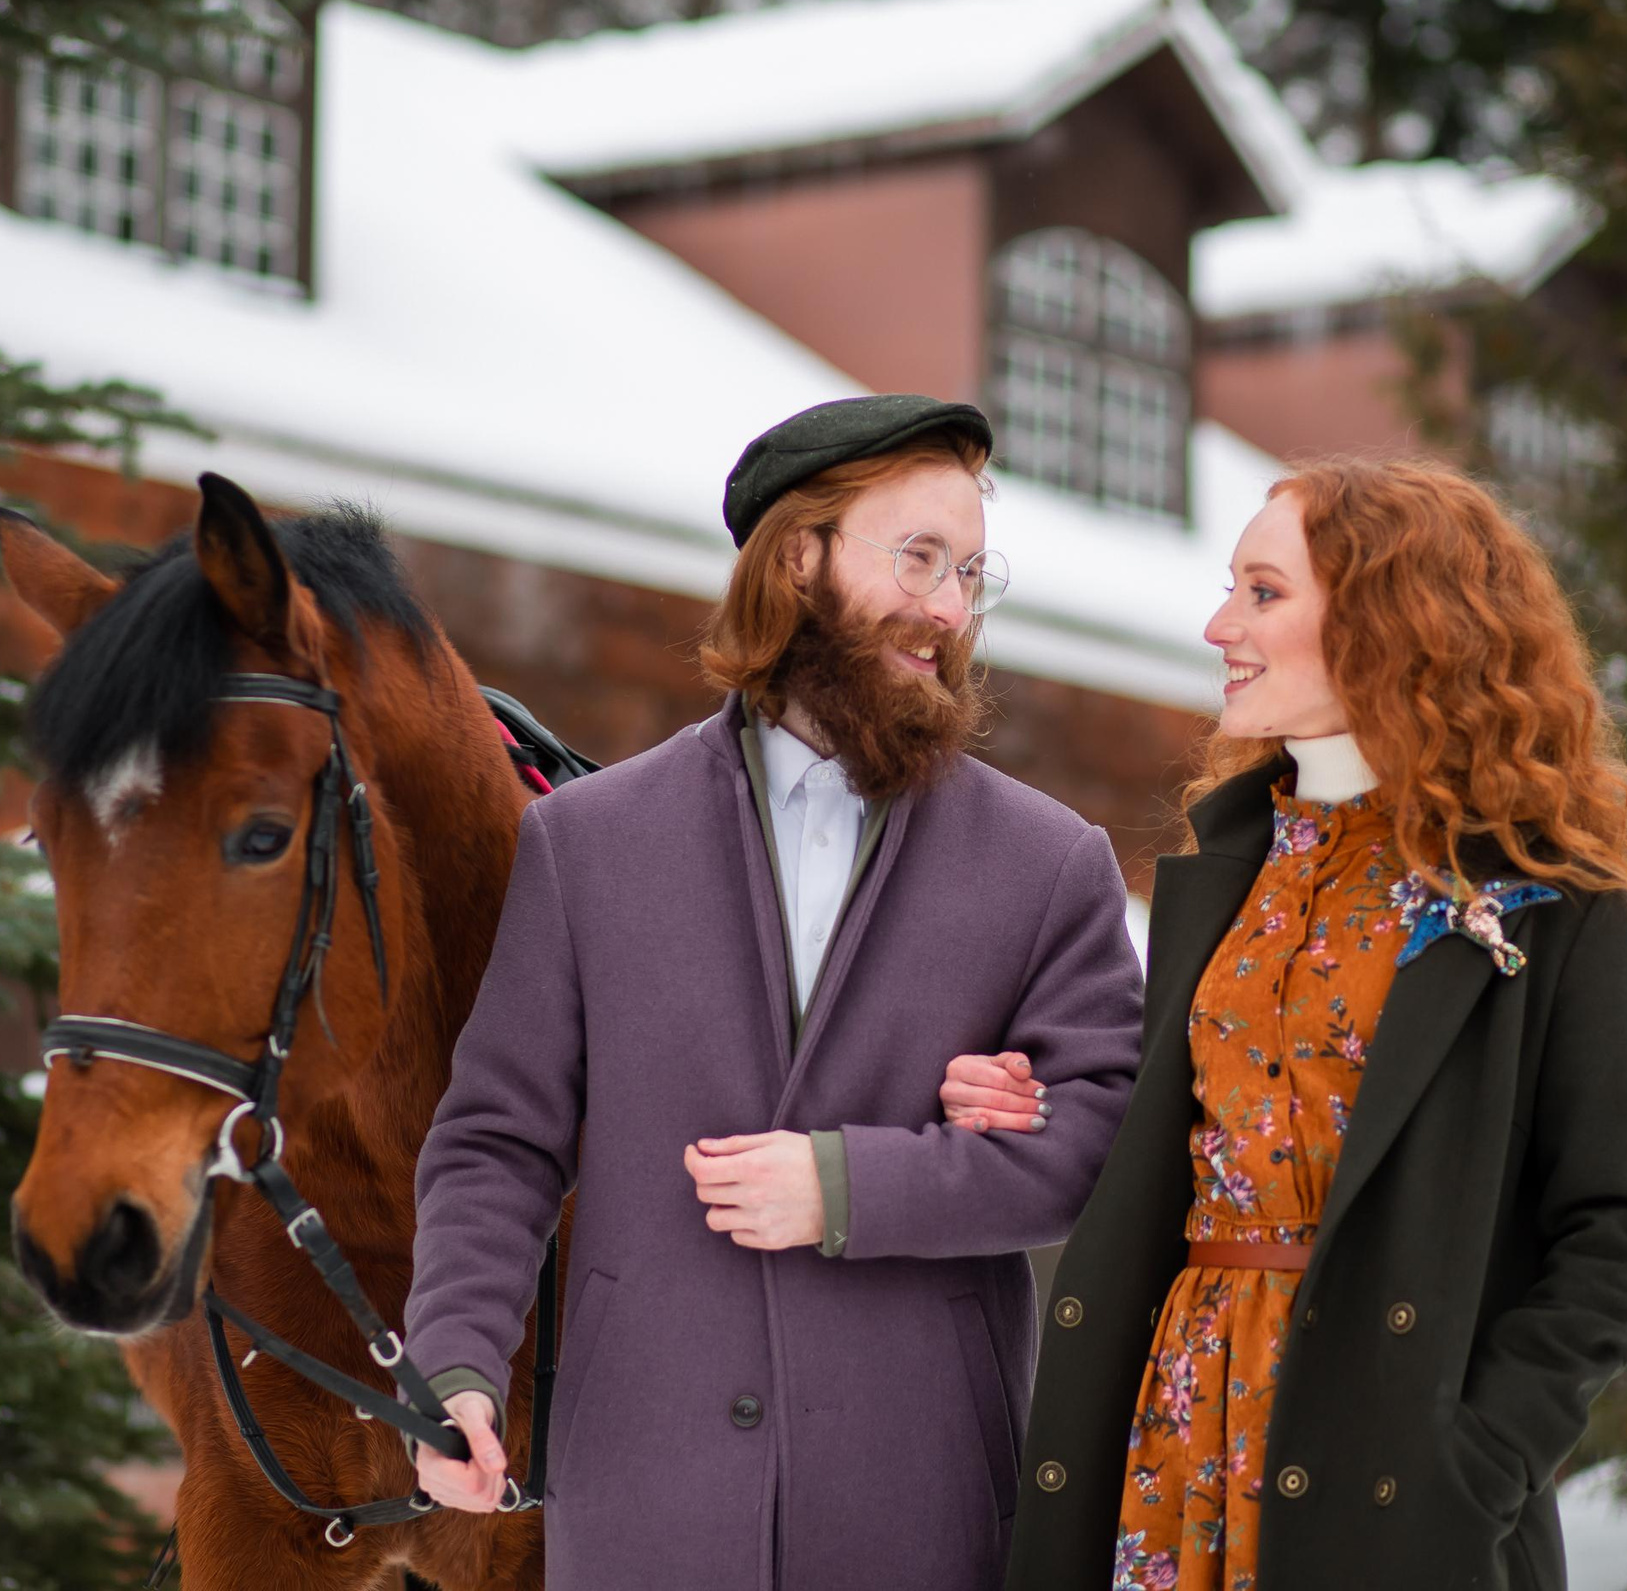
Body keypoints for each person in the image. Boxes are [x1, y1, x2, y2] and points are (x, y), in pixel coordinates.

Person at [402, 394, 1146, 1591]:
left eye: (970, 572)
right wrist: (454, 1364)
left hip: (925, 1502)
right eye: (917, 559)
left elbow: (1098, 1147)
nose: (951, 609)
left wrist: (846, 1186)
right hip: (644, 1493)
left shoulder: (1048, 862)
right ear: (799, 559)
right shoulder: (585, 844)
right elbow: (498, 1141)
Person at [951, 459, 1627, 1591]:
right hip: (1174, 1434)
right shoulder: (1227, 869)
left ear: (1395, 617)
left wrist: (1476, 1464)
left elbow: (1607, 1233)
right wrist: (1039, 1103)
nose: (1217, 624)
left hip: (1391, 1464)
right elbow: (1185, 1142)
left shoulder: (1547, 899)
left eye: (1262, 592)